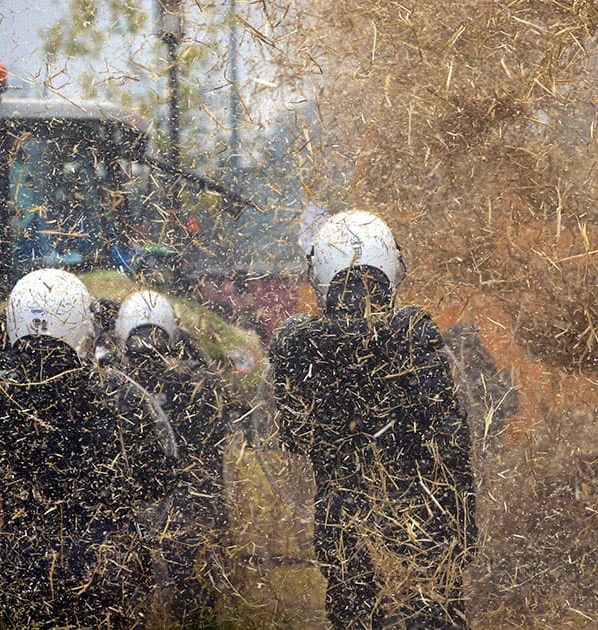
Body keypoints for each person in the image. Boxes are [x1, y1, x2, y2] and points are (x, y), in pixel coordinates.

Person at [270, 210, 477, 628]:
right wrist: (464, 529)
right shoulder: (414, 334)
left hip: (343, 517)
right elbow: (451, 443)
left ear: (321, 272)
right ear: (389, 266)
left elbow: (292, 437)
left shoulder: (296, 344)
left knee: (356, 615)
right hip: (422, 515)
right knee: (430, 612)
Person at [0, 268, 177, 627]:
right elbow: (162, 477)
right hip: (107, 565)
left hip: (26, 566)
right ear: (82, 323)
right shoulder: (122, 392)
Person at [114, 289, 229, 627]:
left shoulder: (113, 384)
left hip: (148, 499)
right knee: (192, 593)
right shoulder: (197, 380)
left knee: (143, 593)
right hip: (184, 500)